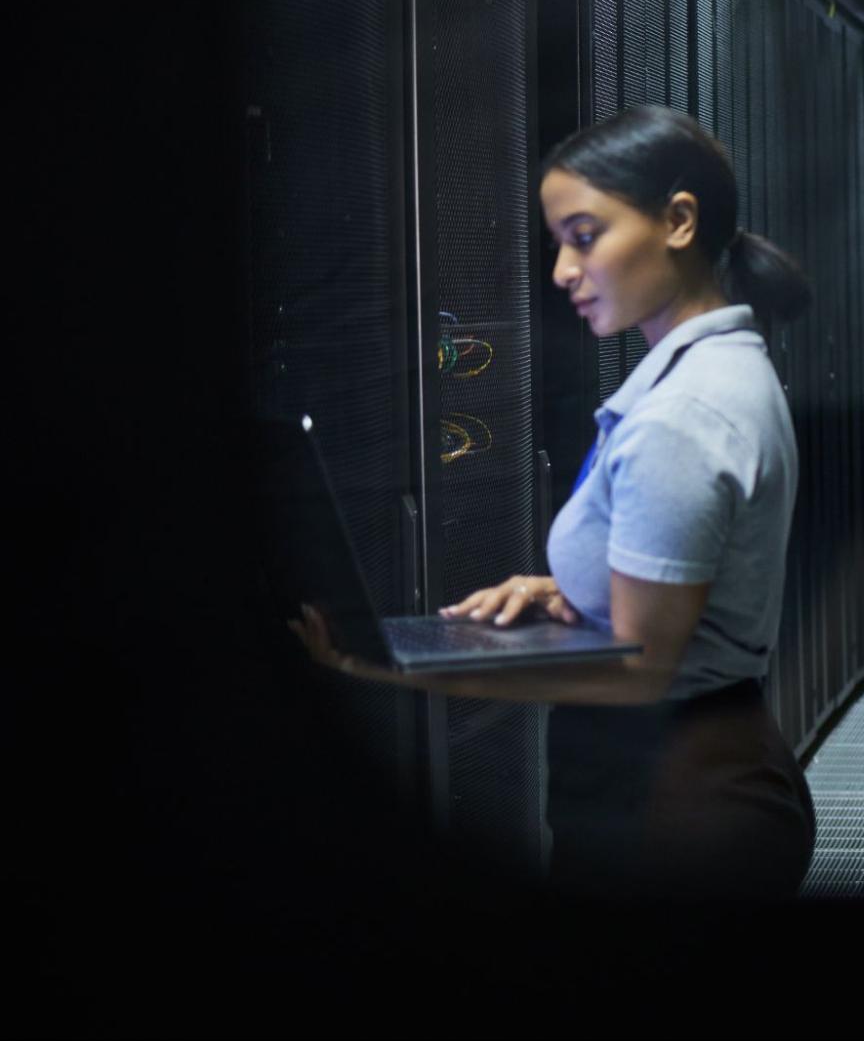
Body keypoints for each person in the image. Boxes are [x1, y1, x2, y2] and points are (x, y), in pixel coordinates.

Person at [290, 106, 815, 902]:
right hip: (683, 786)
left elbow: (641, 673)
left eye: (583, 234)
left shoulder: (685, 414)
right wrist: (568, 590)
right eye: (558, 242)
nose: (565, 269)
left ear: (677, 221)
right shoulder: (714, 377)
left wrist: (397, 665)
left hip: (679, 807)